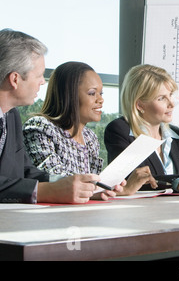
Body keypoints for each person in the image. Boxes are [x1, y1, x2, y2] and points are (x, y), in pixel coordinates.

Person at [0, 28, 119, 204]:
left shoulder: (12, 116)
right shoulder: (38, 127)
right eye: (39, 75)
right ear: (15, 79)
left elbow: (26, 171)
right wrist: (44, 191)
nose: (43, 81)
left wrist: (82, 187)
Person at [22, 62, 153, 196]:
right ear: (69, 95)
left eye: (101, 93)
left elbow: (93, 183)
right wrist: (96, 188)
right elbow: (53, 177)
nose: (101, 99)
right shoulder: (39, 127)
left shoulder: (90, 137)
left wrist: (116, 188)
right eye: (92, 93)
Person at [105, 64, 179, 193]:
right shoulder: (120, 130)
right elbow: (131, 181)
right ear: (140, 105)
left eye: (170, 95)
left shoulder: (175, 134)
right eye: (161, 98)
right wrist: (178, 184)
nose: (172, 104)